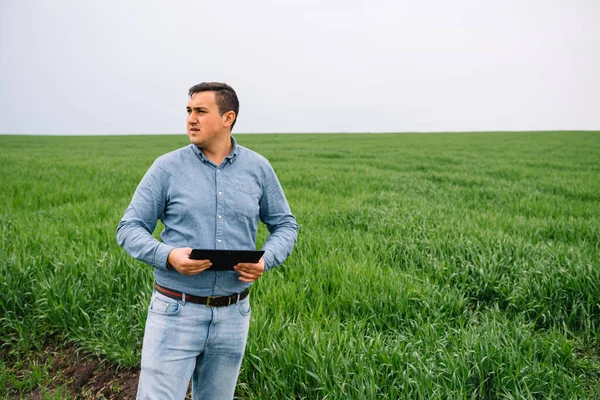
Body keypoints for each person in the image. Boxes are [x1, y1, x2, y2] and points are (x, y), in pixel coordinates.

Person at [116, 82, 299, 400]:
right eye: (188, 111)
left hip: (233, 314)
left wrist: (266, 258)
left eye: (201, 111)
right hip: (175, 311)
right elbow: (129, 228)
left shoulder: (258, 169)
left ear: (228, 118)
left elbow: (285, 225)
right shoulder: (167, 168)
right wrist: (169, 255)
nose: (191, 119)